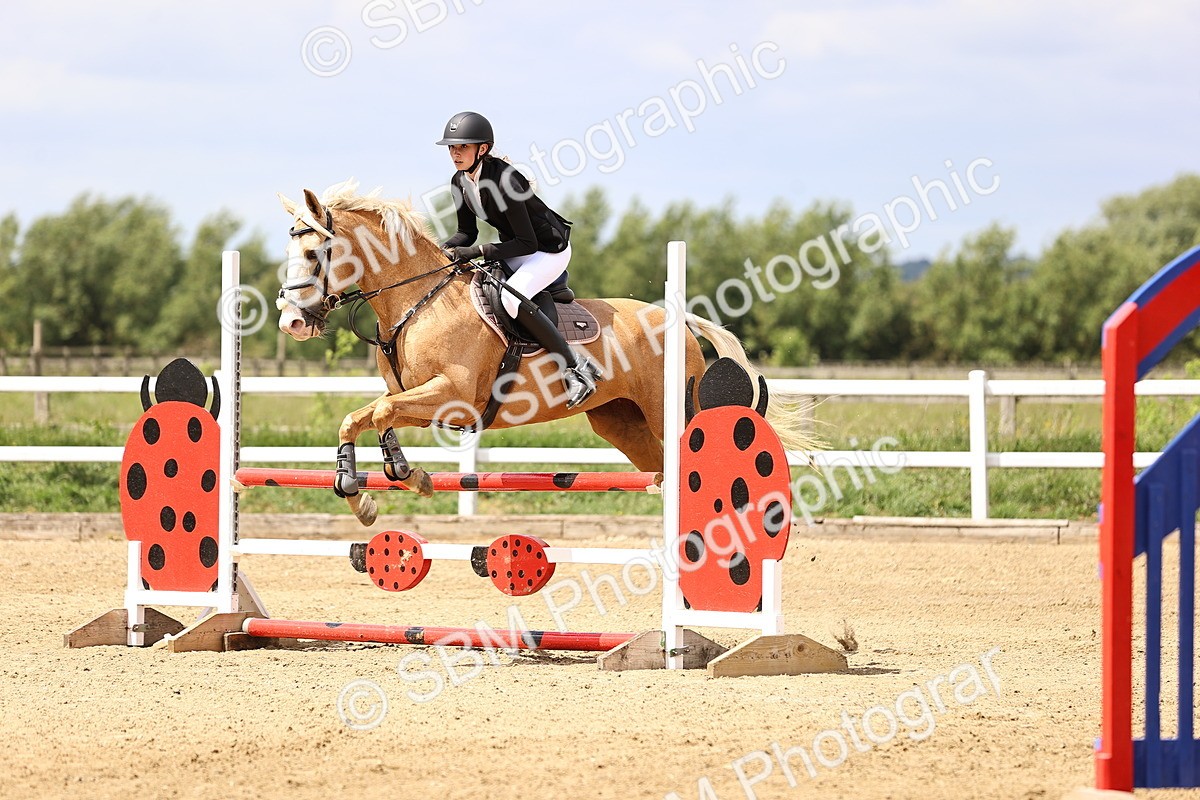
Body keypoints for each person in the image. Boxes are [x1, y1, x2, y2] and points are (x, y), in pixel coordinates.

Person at [437, 111, 601, 408]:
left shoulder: (506, 179)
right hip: (518, 250)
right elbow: (465, 232)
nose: (455, 153)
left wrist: (477, 252)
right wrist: (441, 251)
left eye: (462, 147)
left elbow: (528, 242)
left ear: (482, 149)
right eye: (452, 147)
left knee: (512, 300)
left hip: (547, 250)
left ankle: (576, 368)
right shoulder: (459, 182)